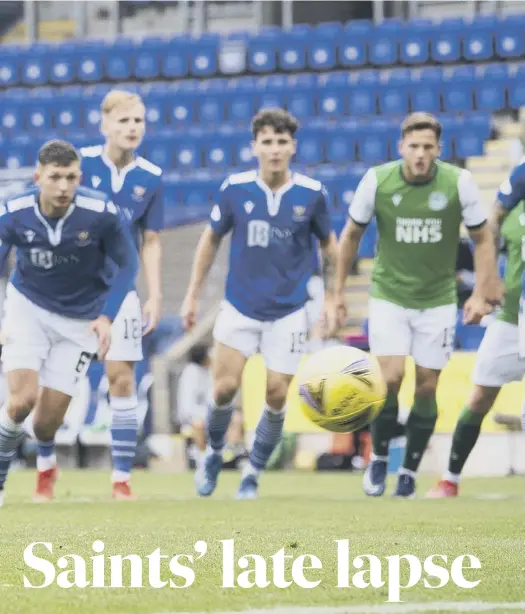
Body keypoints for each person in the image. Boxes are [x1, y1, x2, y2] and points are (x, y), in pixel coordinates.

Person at [334, 112, 503, 499]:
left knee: (427, 386)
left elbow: (482, 238)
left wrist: (481, 291)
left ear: (439, 150)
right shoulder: (376, 181)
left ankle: (408, 470)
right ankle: (377, 458)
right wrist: (336, 293)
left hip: (438, 300)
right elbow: (349, 237)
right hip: (389, 295)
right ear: (401, 148)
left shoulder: (458, 183)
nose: (421, 154)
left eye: (428, 147)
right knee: (388, 378)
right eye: (414, 146)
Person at [180, 108, 338, 500]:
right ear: (255, 146)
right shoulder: (234, 189)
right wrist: (193, 294)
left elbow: (330, 247)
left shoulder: (313, 194)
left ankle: (253, 473)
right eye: (267, 141)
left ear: (293, 147)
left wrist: (333, 297)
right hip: (240, 307)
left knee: (276, 395)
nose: (274, 149)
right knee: (223, 389)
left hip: (288, 312)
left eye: (282, 142)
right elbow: (210, 240)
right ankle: (214, 454)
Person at [33, 90, 164, 502]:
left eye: (138, 121)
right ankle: (45, 465)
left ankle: (122, 479)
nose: (131, 128)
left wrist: (155, 293)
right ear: (104, 123)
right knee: (55, 388)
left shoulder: (151, 177)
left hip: (120, 290)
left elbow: (152, 239)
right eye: (123, 120)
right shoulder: (79, 166)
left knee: (121, 378)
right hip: (68, 288)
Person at [0, 140, 138, 508]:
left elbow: (128, 264)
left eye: (71, 177)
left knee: (47, 422)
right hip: (27, 307)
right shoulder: (13, 211)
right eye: (55, 177)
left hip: (80, 321)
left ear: (80, 176)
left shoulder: (100, 212)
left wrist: (107, 315)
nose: (63, 186)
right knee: (20, 401)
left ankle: (46, 465)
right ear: (38, 177)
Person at [427, 154, 525, 497]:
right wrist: (486, 285)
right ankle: (450, 478)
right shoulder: (516, 195)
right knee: (481, 392)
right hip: (513, 315)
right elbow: (491, 224)